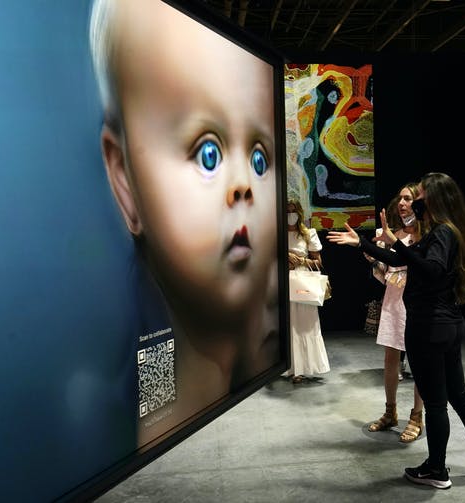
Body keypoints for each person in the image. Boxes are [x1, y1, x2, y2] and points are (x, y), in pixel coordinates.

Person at [89, 0, 280, 446]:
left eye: (259, 158)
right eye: (207, 152)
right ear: (125, 182)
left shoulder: (263, 330)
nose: (242, 185)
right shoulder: (148, 351)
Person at [328, 172, 465, 489]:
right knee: (459, 396)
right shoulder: (443, 232)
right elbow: (402, 260)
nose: (414, 201)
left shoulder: (441, 235)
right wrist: (364, 243)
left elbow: (430, 270)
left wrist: (397, 244)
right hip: (446, 325)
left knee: (437, 403)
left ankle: (436, 469)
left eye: (419, 195)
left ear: (432, 199)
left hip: (429, 327)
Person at [360, 184, 424, 443]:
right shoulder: (392, 234)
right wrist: (373, 256)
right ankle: (390, 412)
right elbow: (386, 274)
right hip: (394, 301)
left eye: (408, 198)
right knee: (390, 359)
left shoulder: (425, 236)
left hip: (416, 302)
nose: (402, 202)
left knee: (419, 361)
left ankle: (417, 416)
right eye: (400, 198)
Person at [285, 198, 330, 383]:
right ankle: (291, 368)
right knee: (288, 324)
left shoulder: (307, 234)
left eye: (293, 211)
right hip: (283, 282)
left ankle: (304, 367)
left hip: (303, 282)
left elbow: (319, 262)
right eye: (287, 211)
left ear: (299, 213)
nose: (290, 215)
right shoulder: (276, 234)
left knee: (305, 323)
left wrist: (301, 260)